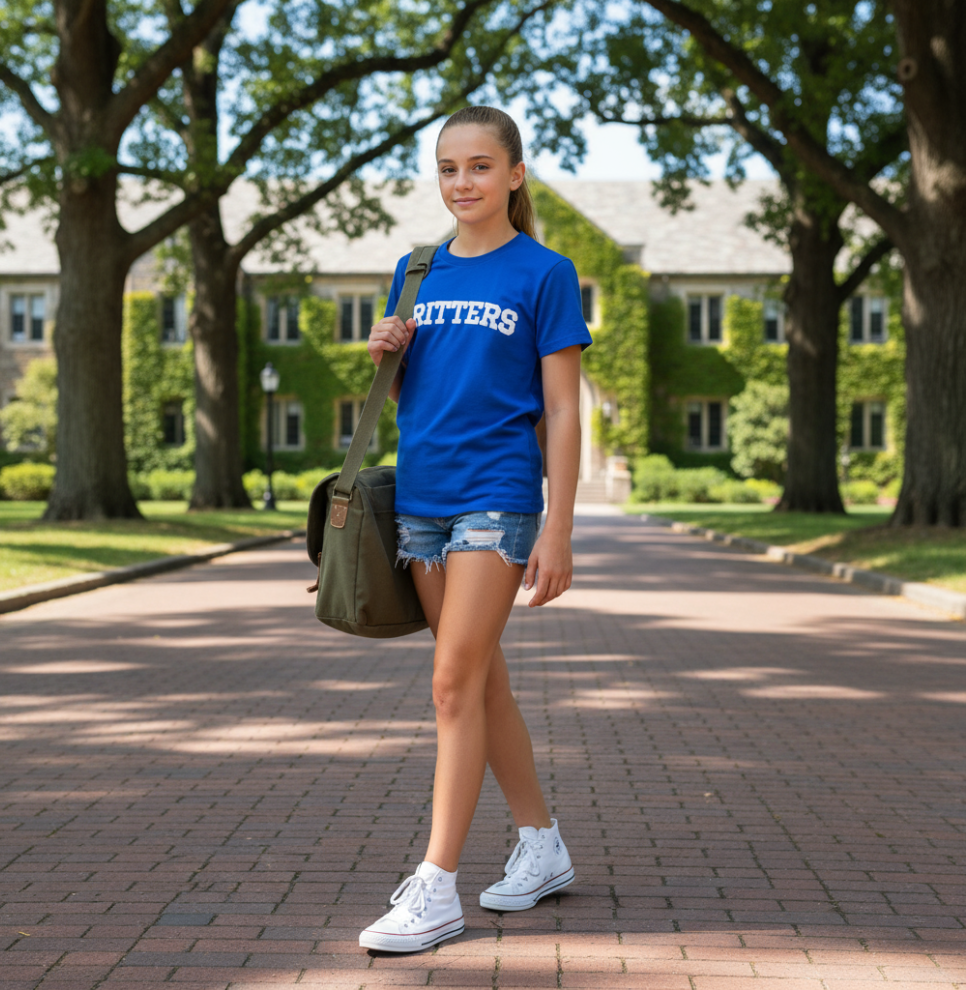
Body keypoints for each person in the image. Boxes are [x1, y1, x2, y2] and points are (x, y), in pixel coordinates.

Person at [358, 105, 591, 953]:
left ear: (516, 174)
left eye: (482, 166)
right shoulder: (415, 269)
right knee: (481, 682)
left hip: (497, 497)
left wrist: (558, 528)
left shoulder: (545, 271)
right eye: (450, 168)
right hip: (420, 499)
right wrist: (389, 347)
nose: (464, 183)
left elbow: (562, 412)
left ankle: (436, 887)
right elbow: (414, 388)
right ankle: (541, 845)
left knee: (451, 686)